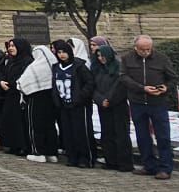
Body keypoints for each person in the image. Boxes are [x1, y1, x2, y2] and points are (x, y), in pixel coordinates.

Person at [121, 34, 179, 180]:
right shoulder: (127, 58)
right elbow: (123, 77)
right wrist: (142, 88)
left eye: (148, 49)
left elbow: (173, 78)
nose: (146, 52)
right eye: (142, 50)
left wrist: (165, 87)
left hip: (157, 103)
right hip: (137, 102)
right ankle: (149, 165)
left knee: (163, 136)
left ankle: (165, 167)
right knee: (142, 135)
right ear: (136, 48)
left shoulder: (161, 58)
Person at [91, 43, 133, 172]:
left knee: (121, 134)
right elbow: (93, 87)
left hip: (118, 106)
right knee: (107, 134)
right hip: (103, 106)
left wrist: (109, 99)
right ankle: (111, 160)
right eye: (98, 56)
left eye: (102, 55)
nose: (100, 58)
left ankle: (124, 163)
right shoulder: (97, 70)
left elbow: (119, 87)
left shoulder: (118, 69)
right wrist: (100, 100)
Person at [53, 39, 95, 168]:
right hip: (64, 104)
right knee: (68, 131)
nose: (62, 55)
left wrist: (80, 97)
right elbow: (54, 84)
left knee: (81, 132)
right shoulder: (56, 67)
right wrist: (57, 100)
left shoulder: (79, 66)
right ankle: (72, 156)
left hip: (78, 105)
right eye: (59, 52)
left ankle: (85, 158)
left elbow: (89, 83)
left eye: (64, 52)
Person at [20, 42, 59, 163]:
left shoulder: (35, 67)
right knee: (50, 126)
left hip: (35, 98)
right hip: (50, 99)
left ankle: (38, 152)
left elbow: (22, 83)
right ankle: (51, 153)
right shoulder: (54, 66)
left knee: (35, 126)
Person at [0, 39, 31, 157]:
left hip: (20, 95)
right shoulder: (10, 60)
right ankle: (12, 144)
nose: (10, 48)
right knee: (9, 119)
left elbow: (25, 77)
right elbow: (3, 72)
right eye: (9, 46)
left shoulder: (27, 61)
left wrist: (11, 84)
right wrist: (1, 81)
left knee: (20, 122)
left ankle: (23, 146)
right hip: (9, 94)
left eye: (13, 46)